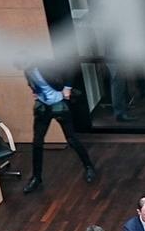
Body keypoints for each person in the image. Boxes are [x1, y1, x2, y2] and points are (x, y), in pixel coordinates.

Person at [21, 62, 97, 193]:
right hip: (43, 106)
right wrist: (35, 92)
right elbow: (32, 84)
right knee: (37, 142)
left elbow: (69, 69)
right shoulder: (28, 71)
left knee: (71, 139)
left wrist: (67, 87)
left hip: (58, 104)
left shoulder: (46, 65)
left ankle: (89, 167)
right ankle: (36, 178)